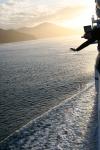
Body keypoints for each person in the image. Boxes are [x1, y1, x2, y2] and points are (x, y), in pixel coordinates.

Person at [71, 26, 100, 95]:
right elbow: (85, 44)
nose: (88, 39)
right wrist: (77, 49)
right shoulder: (94, 35)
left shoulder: (96, 32)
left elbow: (86, 43)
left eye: (87, 37)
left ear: (88, 33)